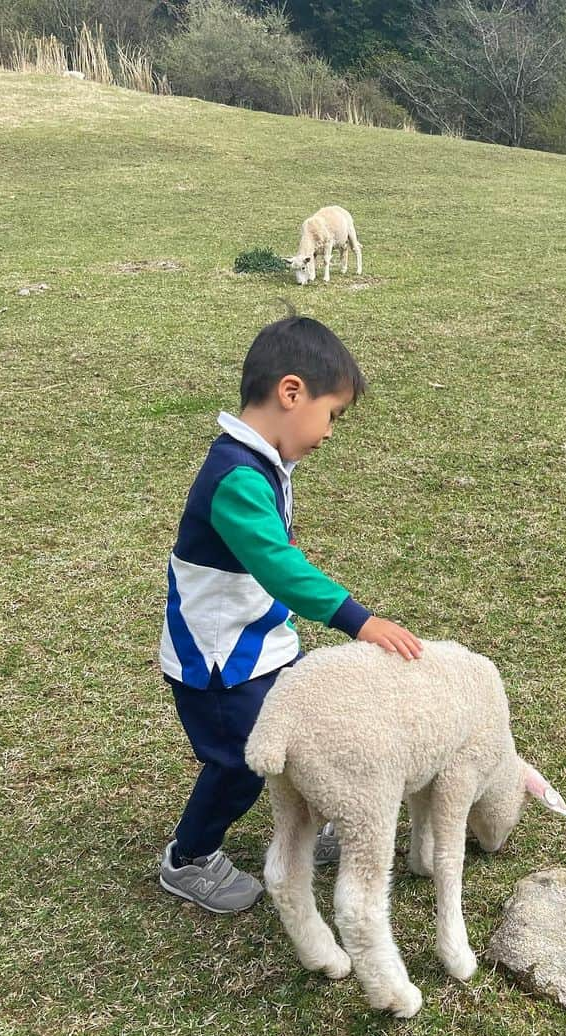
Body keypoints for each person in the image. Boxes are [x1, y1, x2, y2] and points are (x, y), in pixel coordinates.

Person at [157, 315, 422, 913]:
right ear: (292, 392)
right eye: (332, 415)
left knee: (306, 730)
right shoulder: (234, 477)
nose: (330, 433)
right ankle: (189, 857)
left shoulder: (264, 462)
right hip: (220, 661)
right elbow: (279, 566)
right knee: (243, 762)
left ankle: (315, 818)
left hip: (264, 641)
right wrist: (361, 620)